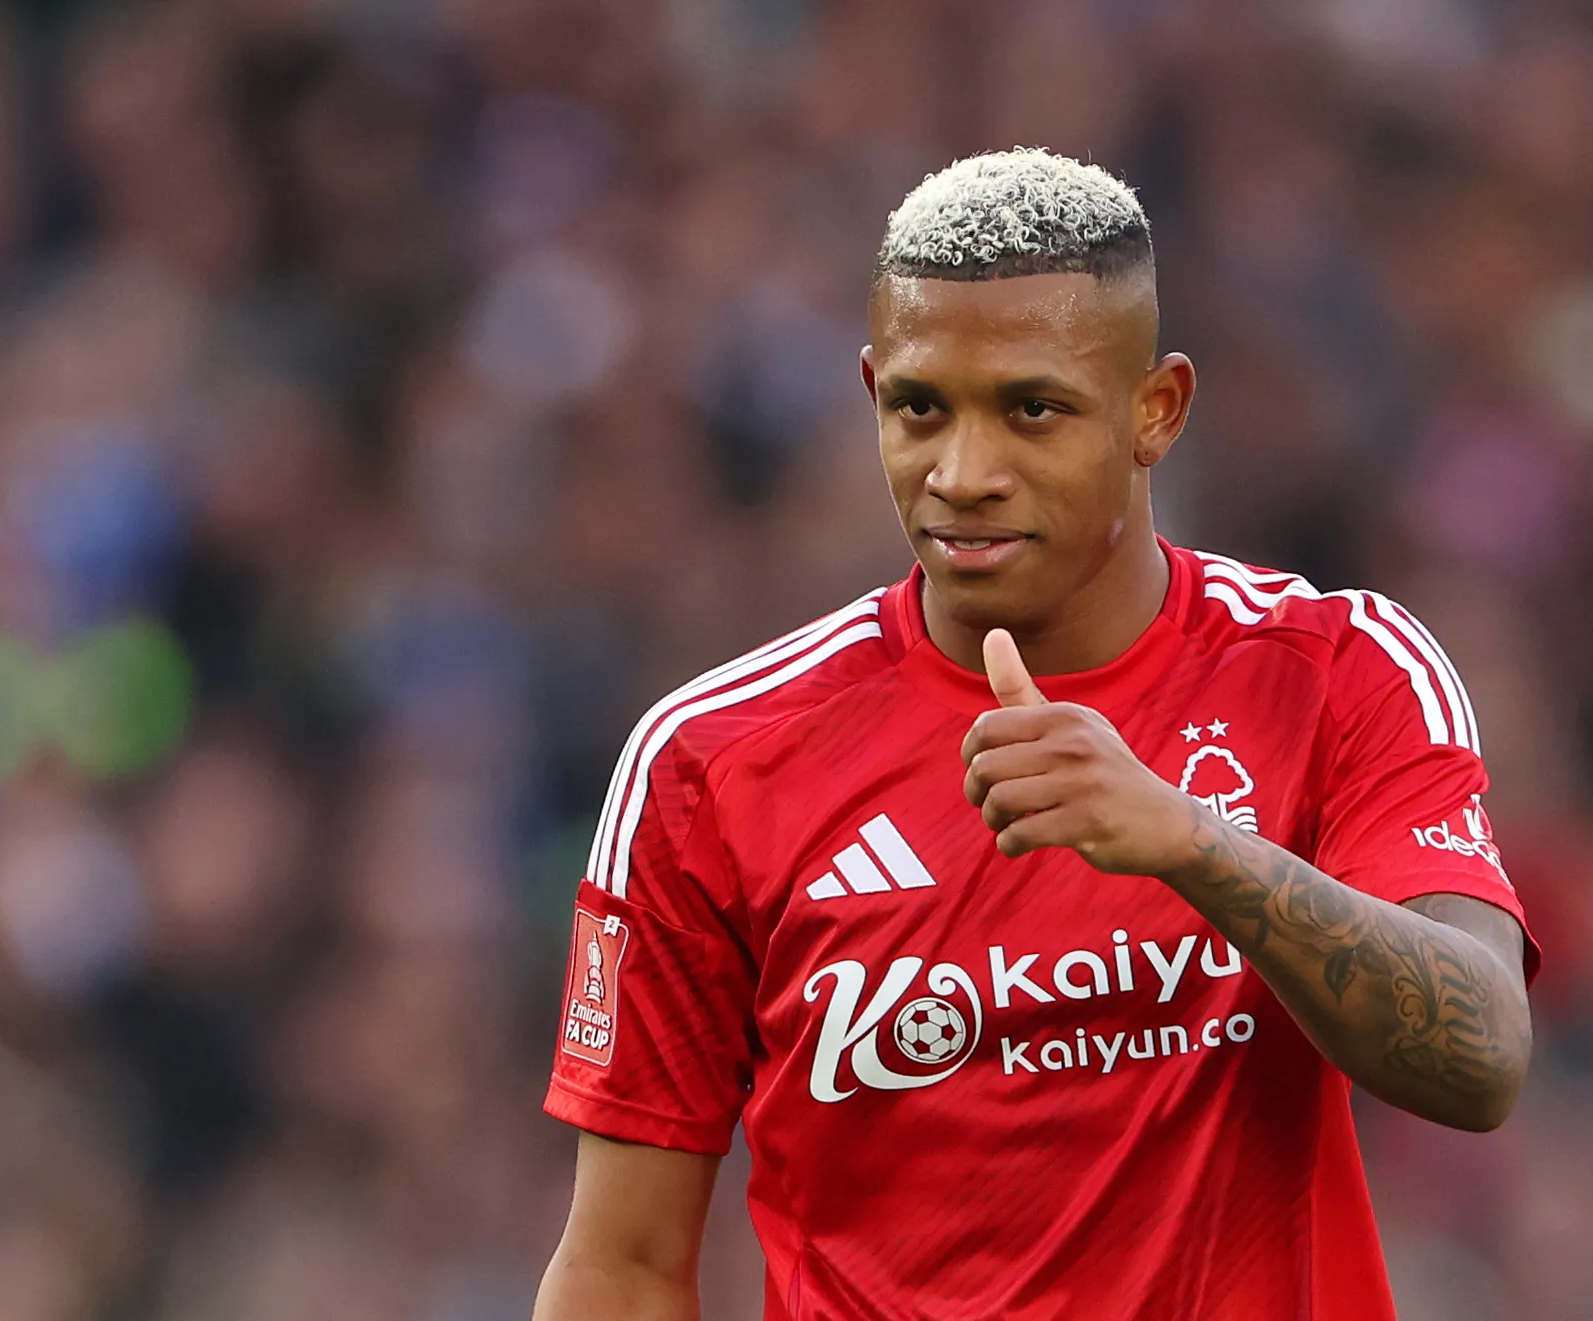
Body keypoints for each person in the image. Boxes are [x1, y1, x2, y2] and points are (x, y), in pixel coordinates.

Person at [534, 148, 1537, 1321]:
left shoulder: (1339, 671)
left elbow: (1478, 1056)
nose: (962, 474)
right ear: (870, 396)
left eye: (1031, 409)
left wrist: (1191, 842)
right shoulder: (709, 760)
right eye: (920, 408)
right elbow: (623, 1265)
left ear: (1153, 411)